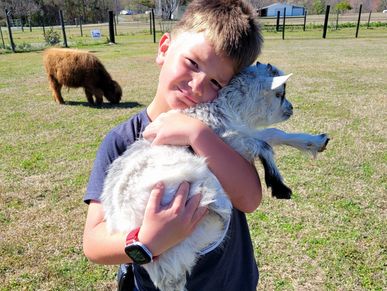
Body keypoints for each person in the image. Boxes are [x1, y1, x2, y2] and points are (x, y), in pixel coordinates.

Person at [83, 0, 264, 290]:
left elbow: (249, 199)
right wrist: (146, 240)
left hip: (233, 282)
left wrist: (197, 134)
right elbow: (93, 243)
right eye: (192, 63)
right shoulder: (122, 140)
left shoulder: (220, 132)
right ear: (164, 48)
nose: (197, 86)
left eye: (216, 83)